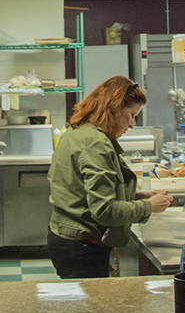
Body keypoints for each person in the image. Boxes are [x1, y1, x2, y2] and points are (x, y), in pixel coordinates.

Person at [47, 75, 174, 278]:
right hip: (82, 247)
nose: (132, 123)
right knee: (92, 308)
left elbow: (85, 193)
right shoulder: (96, 143)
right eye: (131, 115)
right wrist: (149, 207)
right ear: (114, 109)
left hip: (67, 237)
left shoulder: (79, 130)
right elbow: (104, 210)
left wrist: (135, 197)